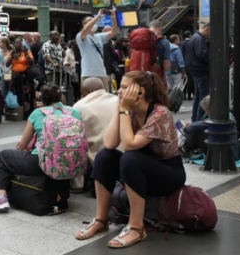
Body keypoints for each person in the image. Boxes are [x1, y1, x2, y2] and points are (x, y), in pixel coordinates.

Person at [75, 71, 186, 248]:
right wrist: (121, 108)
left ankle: (136, 227)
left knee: (130, 157)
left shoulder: (160, 113)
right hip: (141, 166)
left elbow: (128, 145)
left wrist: (124, 109)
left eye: (125, 88)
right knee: (104, 156)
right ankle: (101, 219)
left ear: (140, 92)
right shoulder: (130, 111)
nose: (119, 91)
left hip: (169, 173)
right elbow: (110, 143)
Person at [0, 83, 80, 211]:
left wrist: (25, 148)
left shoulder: (38, 113)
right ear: (61, 97)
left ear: (44, 99)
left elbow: (23, 144)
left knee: (3, 156)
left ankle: (0, 197)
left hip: (42, 163)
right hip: (69, 162)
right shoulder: (74, 112)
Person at [71, 77, 122, 190]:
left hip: (102, 162)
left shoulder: (78, 106)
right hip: (125, 157)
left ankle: (78, 185)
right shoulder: (117, 100)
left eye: (82, 93)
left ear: (88, 92)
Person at [180, 96, 240, 161]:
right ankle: (185, 149)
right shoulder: (226, 113)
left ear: (210, 109)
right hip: (227, 150)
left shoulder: (220, 117)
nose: (205, 112)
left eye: (206, 110)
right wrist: (192, 124)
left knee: (196, 132)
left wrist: (187, 128)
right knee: (198, 129)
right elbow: (202, 122)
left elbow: (203, 124)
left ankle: (184, 149)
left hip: (223, 154)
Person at [77, 9, 118, 91]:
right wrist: (97, 17)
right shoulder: (80, 36)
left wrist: (113, 18)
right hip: (88, 74)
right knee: (88, 100)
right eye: (89, 21)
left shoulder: (99, 36)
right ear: (84, 25)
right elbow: (85, 30)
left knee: (103, 99)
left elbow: (114, 32)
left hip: (101, 74)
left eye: (92, 20)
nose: (92, 22)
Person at [185, 23, 211, 122]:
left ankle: (195, 119)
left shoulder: (194, 38)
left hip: (195, 70)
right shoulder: (199, 39)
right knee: (204, 97)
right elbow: (202, 54)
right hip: (201, 70)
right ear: (207, 29)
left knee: (198, 96)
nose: (210, 35)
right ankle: (200, 119)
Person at [6, 38, 35, 117]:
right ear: (14, 44)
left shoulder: (26, 51)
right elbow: (7, 64)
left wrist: (26, 54)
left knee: (26, 94)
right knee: (16, 93)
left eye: (20, 43)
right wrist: (11, 56)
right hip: (15, 76)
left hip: (25, 76)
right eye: (17, 43)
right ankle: (18, 112)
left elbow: (32, 62)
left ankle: (27, 113)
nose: (18, 45)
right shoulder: (12, 53)